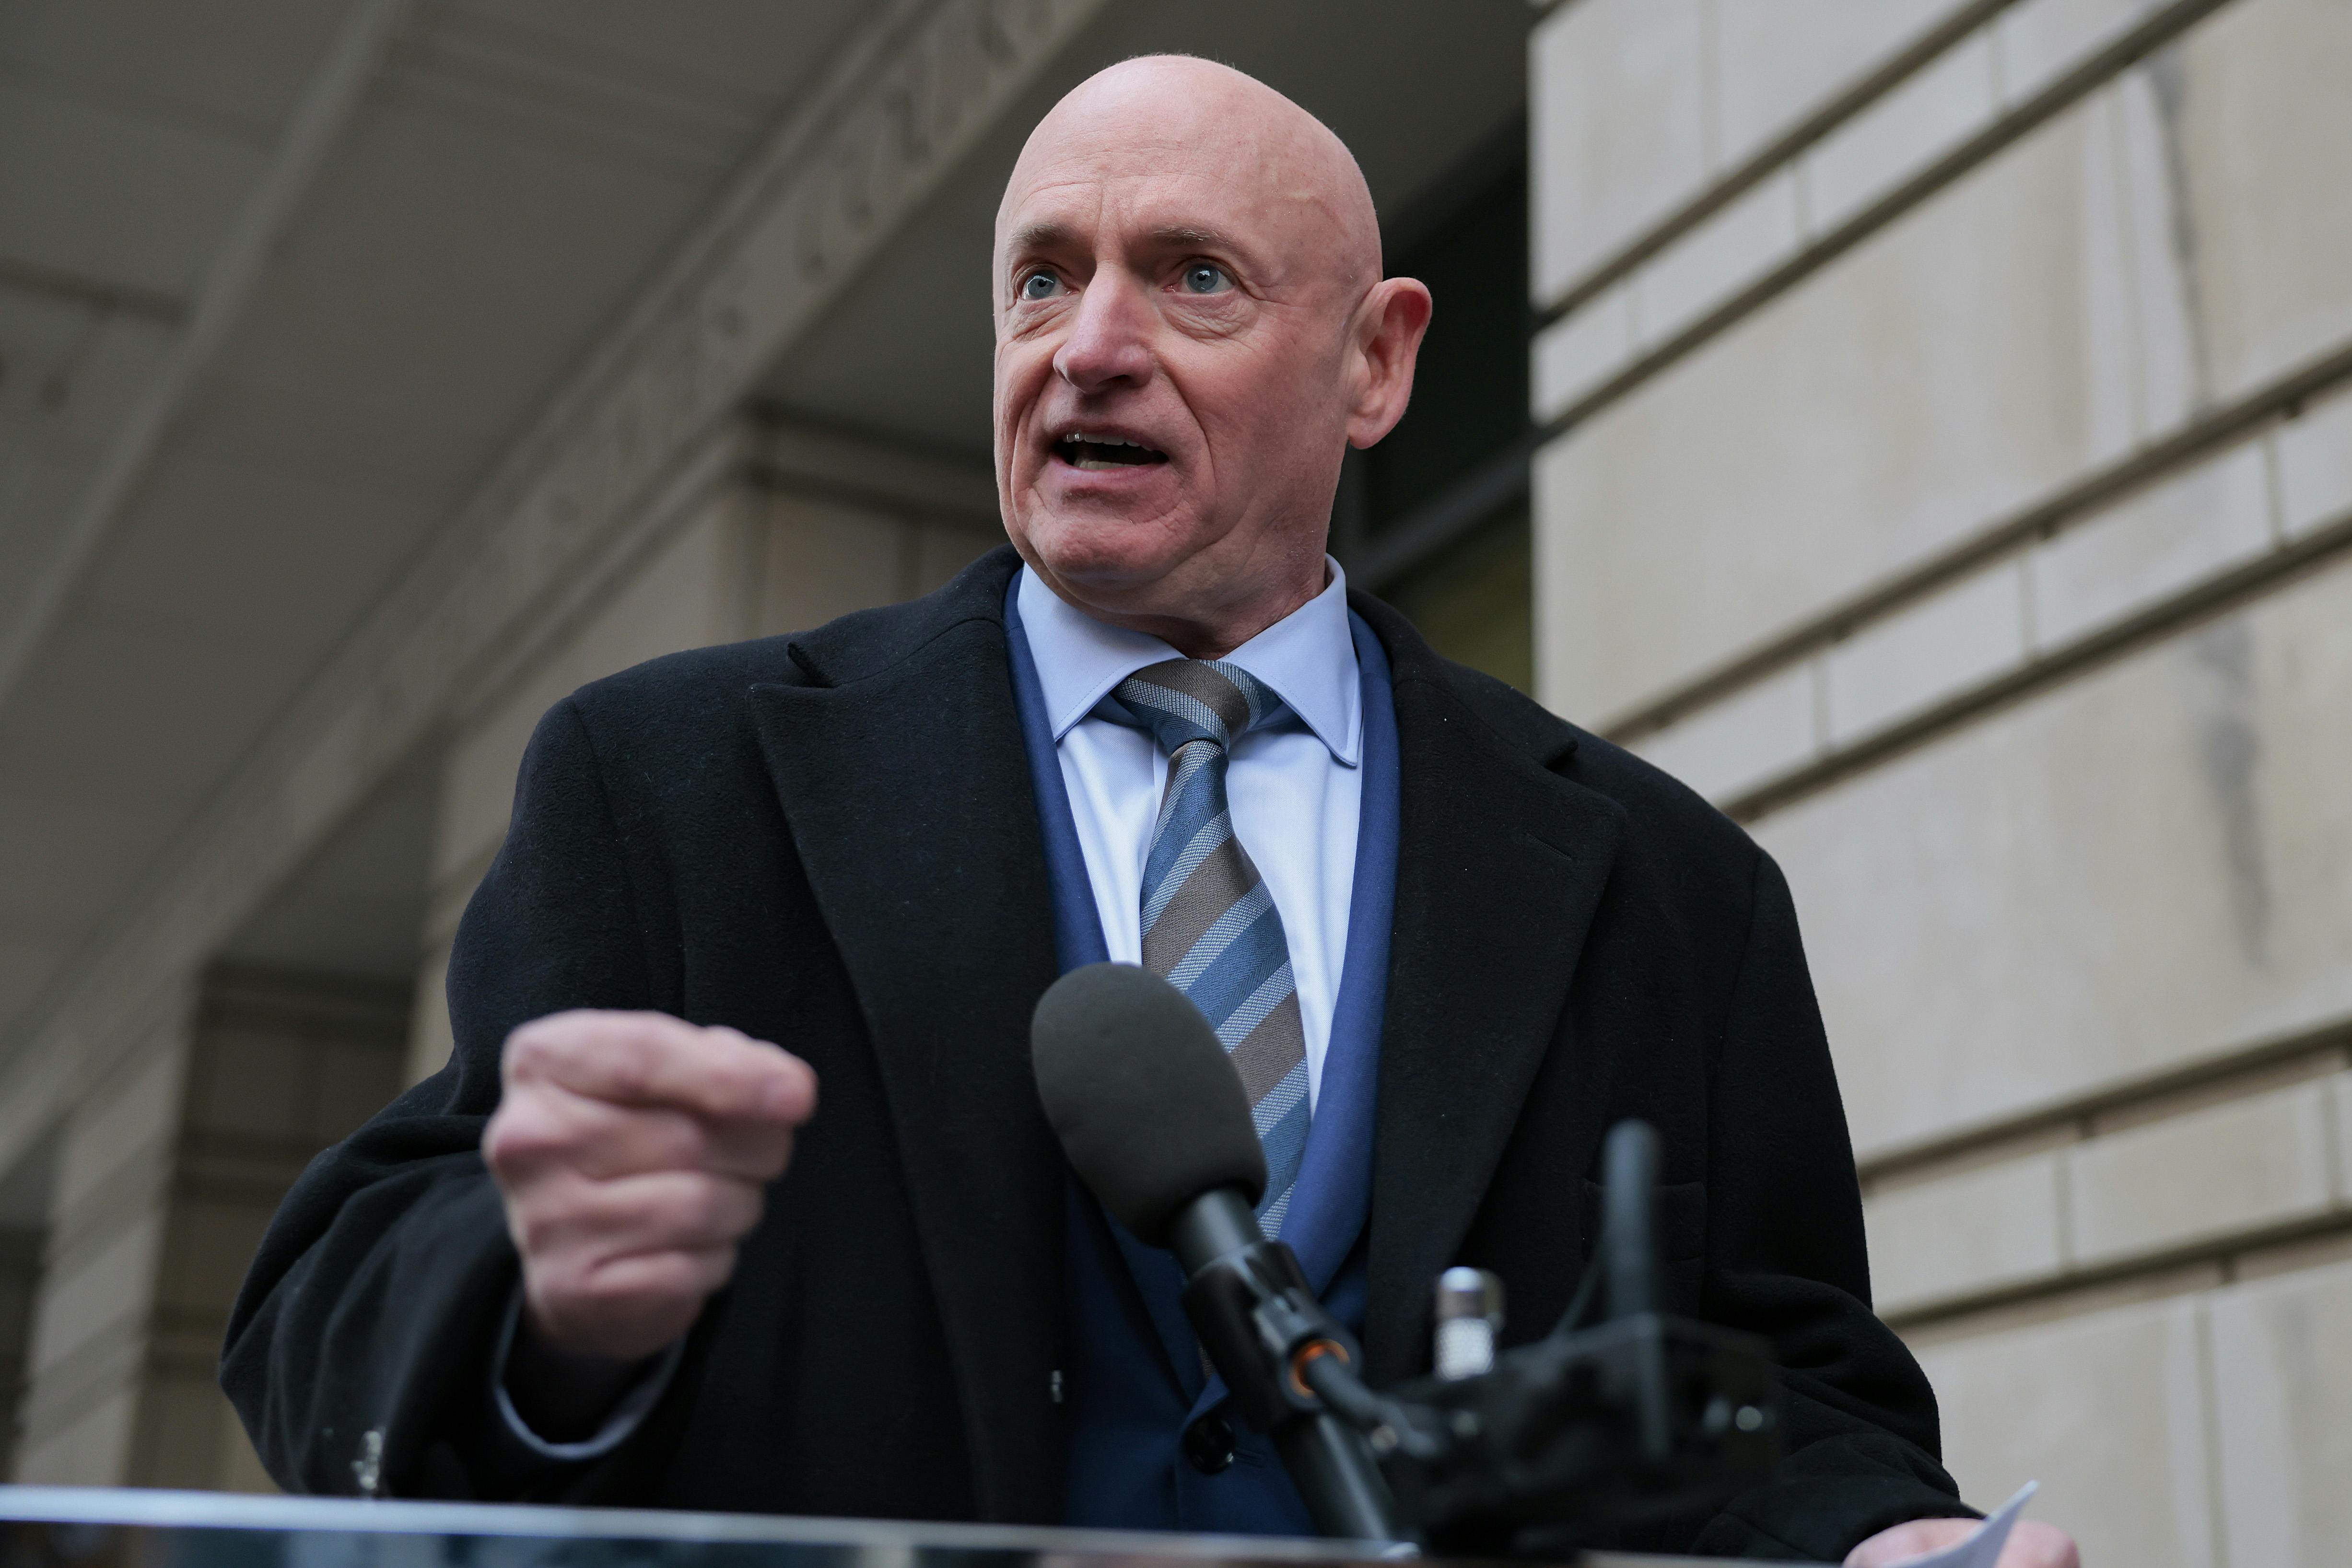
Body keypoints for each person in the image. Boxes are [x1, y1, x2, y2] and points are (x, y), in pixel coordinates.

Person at [224, 57, 2077, 1568]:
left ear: (1374, 363)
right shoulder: (675, 783)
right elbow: (326, 1315)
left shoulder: (1668, 884)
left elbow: (1792, 1393)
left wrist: (1878, 1539)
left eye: (1191, 277)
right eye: (1042, 277)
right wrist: (547, 1308)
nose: (1086, 346)